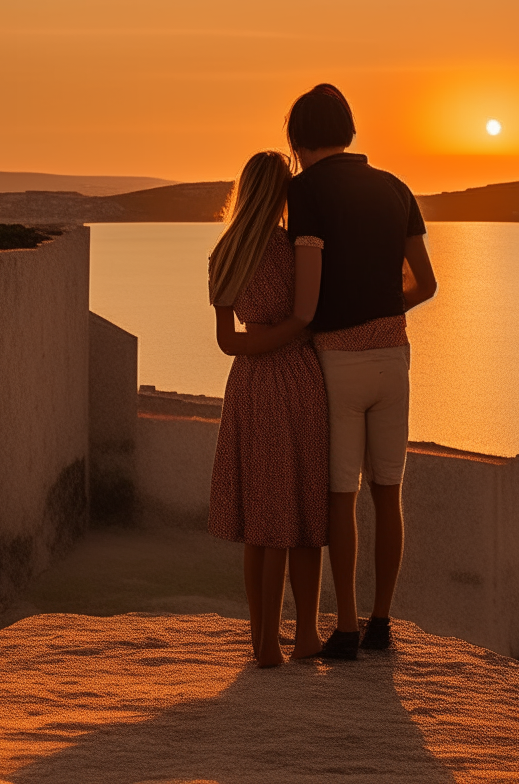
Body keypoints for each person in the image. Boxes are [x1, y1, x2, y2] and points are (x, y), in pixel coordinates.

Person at [285, 84, 437, 660]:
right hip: (393, 359)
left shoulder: (303, 191)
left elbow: (307, 289)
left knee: (339, 497)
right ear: (348, 130)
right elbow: (425, 283)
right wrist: (380, 309)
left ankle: (345, 628)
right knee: (388, 492)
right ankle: (381, 623)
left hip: (337, 363)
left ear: (297, 139)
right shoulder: (396, 188)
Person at [207, 150, 329, 667]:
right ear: (282, 194)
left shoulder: (224, 253)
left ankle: (262, 640)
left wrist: (259, 342)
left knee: (262, 516)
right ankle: (303, 636)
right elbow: (307, 319)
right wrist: (287, 336)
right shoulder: (291, 249)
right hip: (298, 378)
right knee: (301, 513)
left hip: (249, 385)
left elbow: (227, 343)